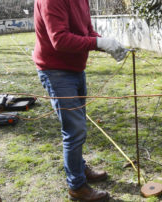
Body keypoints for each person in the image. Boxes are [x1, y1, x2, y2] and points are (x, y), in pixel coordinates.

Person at [33, 0, 127, 201]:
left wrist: (105, 43)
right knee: (74, 131)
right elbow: (60, 39)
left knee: (78, 126)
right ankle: (76, 186)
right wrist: (97, 43)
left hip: (75, 69)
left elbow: (87, 31)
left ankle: (80, 168)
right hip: (55, 70)